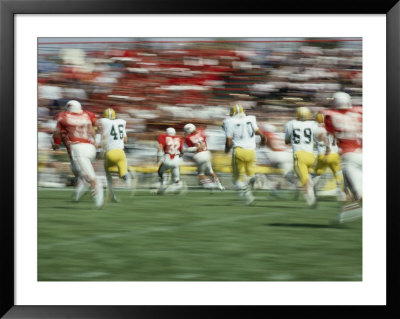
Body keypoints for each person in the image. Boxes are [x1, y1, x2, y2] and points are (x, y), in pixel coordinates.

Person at [52, 100, 104, 208]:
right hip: (90, 148)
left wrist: (55, 144)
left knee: (89, 176)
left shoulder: (63, 116)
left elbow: (56, 133)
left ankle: (99, 200)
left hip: (78, 149)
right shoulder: (87, 114)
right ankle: (77, 195)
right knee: (80, 174)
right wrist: (97, 140)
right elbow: (99, 125)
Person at [324, 92, 362, 223]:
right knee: (347, 188)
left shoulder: (330, 116)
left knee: (359, 193)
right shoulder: (360, 112)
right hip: (362, 153)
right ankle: (343, 216)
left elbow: (332, 136)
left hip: (349, 156)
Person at [222, 104, 266, 205]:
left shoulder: (229, 122)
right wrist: (263, 142)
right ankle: (255, 179)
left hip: (239, 151)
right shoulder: (251, 118)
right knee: (248, 175)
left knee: (236, 180)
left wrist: (226, 151)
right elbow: (263, 136)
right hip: (251, 152)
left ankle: (247, 194)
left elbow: (228, 142)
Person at [284, 106, 319, 207]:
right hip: (311, 156)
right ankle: (311, 190)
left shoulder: (291, 124)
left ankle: (311, 199)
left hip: (299, 155)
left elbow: (286, 141)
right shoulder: (313, 124)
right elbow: (318, 138)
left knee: (304, 180)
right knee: (308, 177)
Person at [97, 107, 133, 203]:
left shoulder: (104, 122)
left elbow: (104, 137)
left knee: (108, 175)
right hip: (121, 153)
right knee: (122, 172)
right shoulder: (121, 122)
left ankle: (112, 195)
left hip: (110, 152)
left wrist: (102, 151)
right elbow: (125, 140)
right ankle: (125, 176)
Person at [312, 112, 346, 201]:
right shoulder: (332, 127)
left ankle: (314, 191)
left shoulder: (315, 129)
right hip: (334, 155)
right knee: (338, 174)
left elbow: (322, 137)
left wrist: (327, 147)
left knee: (317, 174)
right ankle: (341, 194)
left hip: (322, 154)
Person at [183, 123, 224, 191]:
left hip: (199, 155)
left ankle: (210, 184)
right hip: (207, 153)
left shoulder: (187, 138)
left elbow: (192, 149)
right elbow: (205, 137)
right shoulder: (200, 131)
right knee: (211, 171)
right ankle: (220, 185)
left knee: (200, 174)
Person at [260, 123, 298, 195]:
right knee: (286, 174)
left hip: (277, 155)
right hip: (287, 155)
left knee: (265, 169)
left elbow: (261, 145)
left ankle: (274, 186)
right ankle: (293, 183)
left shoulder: (266, 134)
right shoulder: (278, 135)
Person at [156, 127, 184, 194]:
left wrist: (158, 158)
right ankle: (177, 182)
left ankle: (163, 181)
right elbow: (182, 152)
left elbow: (160, 147)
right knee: (176, 176)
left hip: (167, 159)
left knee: (160, 171)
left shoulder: (163, 136)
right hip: (176, 160)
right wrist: (178, 156)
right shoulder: (179, 138)